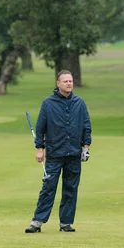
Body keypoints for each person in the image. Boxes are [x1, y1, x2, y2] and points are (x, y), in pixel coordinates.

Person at [25, 70, 92, 233]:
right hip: (55, 153)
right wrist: (40, 149)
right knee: (48, 187)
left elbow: (86, 125)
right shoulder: (48, 103)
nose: (69, 83)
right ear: (58, 84)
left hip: (74, 154)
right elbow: (40, 128)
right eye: (65, 81)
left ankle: (66, 223)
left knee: (71, 189)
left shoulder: (79, 102)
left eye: (71, 81)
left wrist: (86, 147)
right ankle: (37, 221)